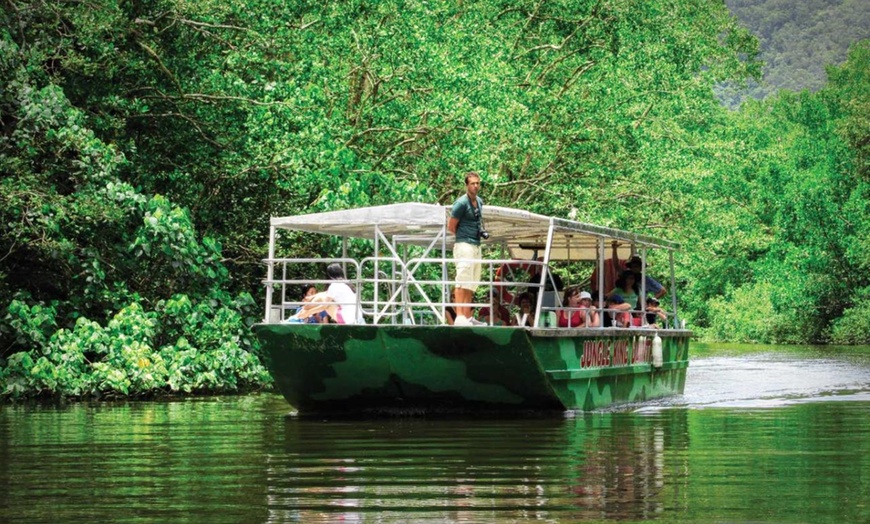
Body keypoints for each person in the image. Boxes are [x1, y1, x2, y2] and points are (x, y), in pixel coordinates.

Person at [447, 172, 485, 326]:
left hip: (476, 244)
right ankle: (460, 316)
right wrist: (463, 237)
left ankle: (468, 316)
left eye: (477, 183)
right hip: (464, 244)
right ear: (467, 185)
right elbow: (451, 226)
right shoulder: (461, 203)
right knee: (462, 279)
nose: (475, 186)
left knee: (472, 281)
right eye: (472, 183)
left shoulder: (480, 202)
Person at [291, 263, 364, 324]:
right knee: (323, 297)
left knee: (324, 301)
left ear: (330, 276)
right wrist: (311, 298)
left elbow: (324, 306)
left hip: (347, 319)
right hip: (357, 317)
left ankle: (299, 315)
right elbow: (326, 293)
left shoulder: (334, 285)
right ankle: (301, 313)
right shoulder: (345, 284)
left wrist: (307, 313)